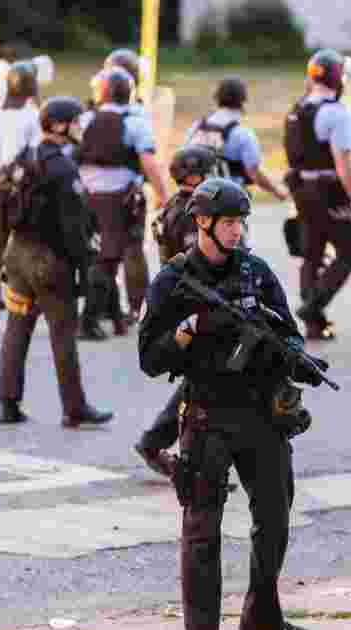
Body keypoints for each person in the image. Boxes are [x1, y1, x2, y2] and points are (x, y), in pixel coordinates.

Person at [139, 177, 326, 630]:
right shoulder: (173, 281)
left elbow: (289, 329)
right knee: (203, 527)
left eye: (241, 221)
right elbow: (149, 359)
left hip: (261, 414)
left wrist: (292, 356)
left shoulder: (255, 273)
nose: (237, 231)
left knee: (276, 515)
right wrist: (189, 331)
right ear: (202, 223)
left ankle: (262, 612)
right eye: (228, 222)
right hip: (206, 416)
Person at [0, 96, 113, 429]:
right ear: (60, 126)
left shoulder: (25, 157)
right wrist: (84, 269)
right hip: (48, 260)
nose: (80, 128)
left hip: (17, 252)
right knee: (63, 333)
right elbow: (73, 228)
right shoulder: (62, 168)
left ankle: (7, 402)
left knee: (17, 327)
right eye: (75, 122)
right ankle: (73, 408)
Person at [135, 144, 218, 476]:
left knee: (198, 382)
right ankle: (186, 459)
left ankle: (157, 442)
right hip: (190, 304)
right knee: (202, 384)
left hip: (181, 301)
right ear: (196, 176)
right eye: (209, 172)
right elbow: (198, 266)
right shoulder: (190, 215)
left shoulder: (175, 204)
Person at [78, 67, 169, 340]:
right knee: (110, 258)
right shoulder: (135, 123)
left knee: (102, 255)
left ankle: (114, 317)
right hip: (120, 200)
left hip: (84, 196)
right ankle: (89, 320)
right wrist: (164, 195)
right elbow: (148, 162)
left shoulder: (84, 119)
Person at [287, 49, 351, 340]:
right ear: (338, 79)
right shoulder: (336, 113)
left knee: (312, 254)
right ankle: (312, 306)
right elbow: (344, 162)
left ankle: (313, 323)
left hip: (302, 189)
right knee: (349, 255)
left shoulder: (297, 109)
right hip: (329, 191)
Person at [0, 60, 41, 310]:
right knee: (26, 238)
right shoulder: (34, 116)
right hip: (22, 184)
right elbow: (34, 154)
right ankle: (24, 291)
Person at [185, 76, 287, 199]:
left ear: (217, 98)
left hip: (197, 197)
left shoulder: (196, 127)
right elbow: (254, 172)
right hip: (228, 200)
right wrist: (277, 191)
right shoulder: (242, 134)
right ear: (243, 101)